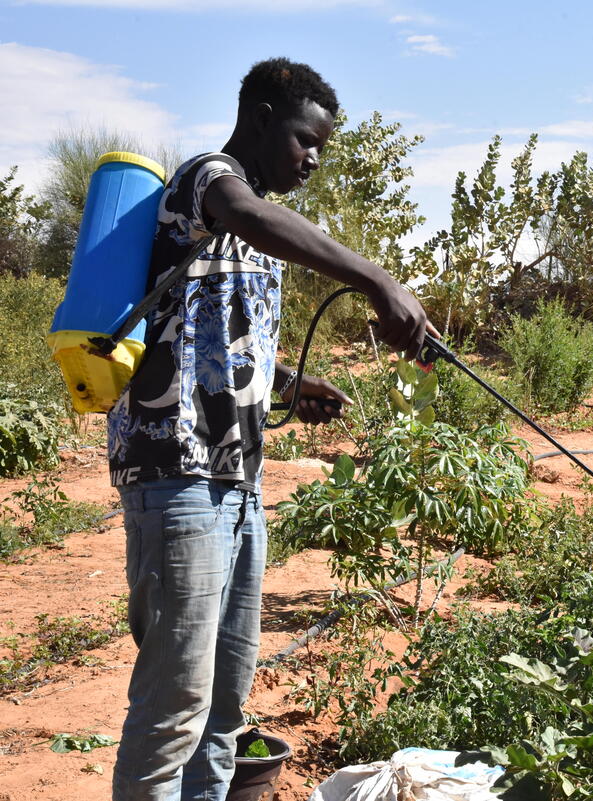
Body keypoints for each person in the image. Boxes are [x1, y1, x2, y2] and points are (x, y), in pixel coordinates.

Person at [106, 58, 434, 800]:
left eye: (321, 146)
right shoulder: (209, 181)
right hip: (177, 475)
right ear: (258, 117)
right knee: (174, 707)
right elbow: (250, 214)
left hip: (237, 483)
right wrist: (377, 278)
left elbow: (209, 334)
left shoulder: (249, 227)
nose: (312, 159)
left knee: (222, 708)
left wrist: (288, 384)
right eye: (302, 140)